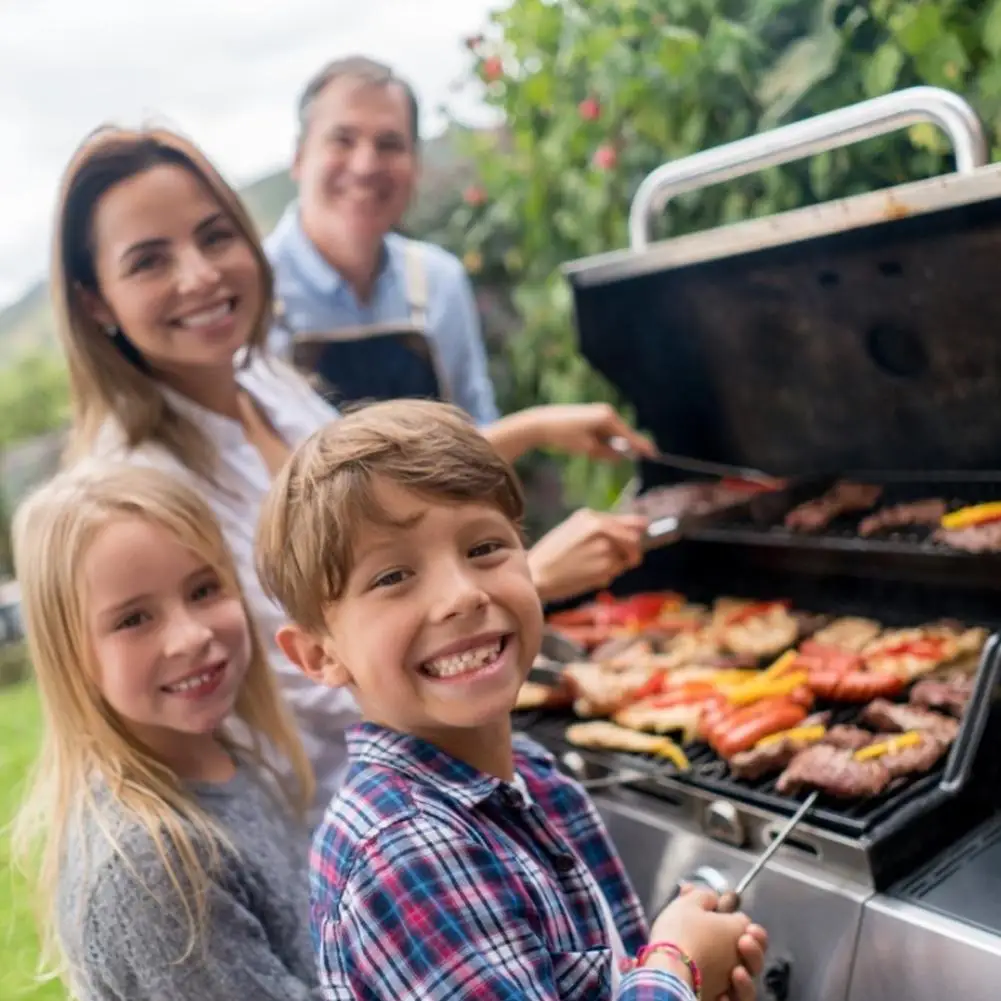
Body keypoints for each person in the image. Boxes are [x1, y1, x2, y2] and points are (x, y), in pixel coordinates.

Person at [53, 124, 653, 819]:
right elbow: (296, 683)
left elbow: (375, 504)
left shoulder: (263, 382)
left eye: (215, 236)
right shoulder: (137, 489)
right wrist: (527, 580)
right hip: (351, 811)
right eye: (149, 262)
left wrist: (529, 430)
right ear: (95, 301)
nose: (200, 274)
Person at [255, 399, 768, 1001]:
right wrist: (678, 963)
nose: (462, 595)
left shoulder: (531, 776)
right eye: (393, 577)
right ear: (319, 655)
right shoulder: (407, 852)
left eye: (484, 549)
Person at [9, 462, 320, 1000]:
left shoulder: (220, 753)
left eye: (204, 589)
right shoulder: (154, 868)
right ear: (69, 654)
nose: (191, 635)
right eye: (133, 619)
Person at [266, 55, 498, 421]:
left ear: (416, 165)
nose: (365, 166)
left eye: (389, 144)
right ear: (298, 157)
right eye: (342, 139)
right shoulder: (250, 294)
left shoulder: (439, 281)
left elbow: (478, 429)